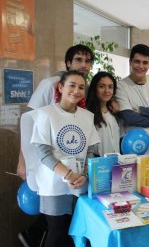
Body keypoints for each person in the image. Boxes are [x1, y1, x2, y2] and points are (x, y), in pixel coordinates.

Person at [30, 70, 100, 247]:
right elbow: (42, 152)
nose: (76, 90)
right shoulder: (46, 114)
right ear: (60, 87)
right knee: (57, 231)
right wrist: (68, 174)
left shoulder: (87, 117)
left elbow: (92, 150)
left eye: (81, 87)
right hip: (55, 184)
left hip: (80, 182)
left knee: (73, 228)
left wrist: (84, 174)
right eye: (72, 85)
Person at [17, 44, 94, 179]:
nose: (83, 65)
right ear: (68, 63)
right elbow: (28, 123)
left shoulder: (85, 89)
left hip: (74, 161)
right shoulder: (49, 84)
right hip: (47, 160)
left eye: (87, 61)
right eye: (78, 60)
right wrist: (23, 161)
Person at [86, 72, 120, 156]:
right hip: (98, 165)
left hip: (117, 163)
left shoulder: (115, 113)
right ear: (94, 88)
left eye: (110, 87)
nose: (107, 91)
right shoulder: (87, 114)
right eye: (101, 86)